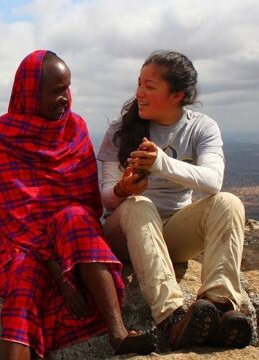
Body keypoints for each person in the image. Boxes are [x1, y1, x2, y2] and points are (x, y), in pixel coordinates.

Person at [0, 50, 155, 359]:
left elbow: (87, 204)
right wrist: (59, 271)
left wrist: (67, 257)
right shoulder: (1, 143)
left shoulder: (75, 128)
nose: (66, 97)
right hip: (22, 242)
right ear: (30, 94)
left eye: (68, 87)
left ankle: (118, 334)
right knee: (24, 278)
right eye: (57, 90)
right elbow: (11, 221)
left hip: (71, 235)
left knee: (76, 217)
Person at [97, 50, 253, 350]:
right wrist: (124, 190)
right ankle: (172, 317)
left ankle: (216, 308)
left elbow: (212, 181)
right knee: (140, 205)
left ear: (177, 95)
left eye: (150, 86)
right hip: (124, 234)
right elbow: (106, 197)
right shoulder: (120, 130)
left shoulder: (200, 127)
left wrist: (160, 163)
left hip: (172, 234)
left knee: (229, 202)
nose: (139, 93)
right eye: (139, 83)